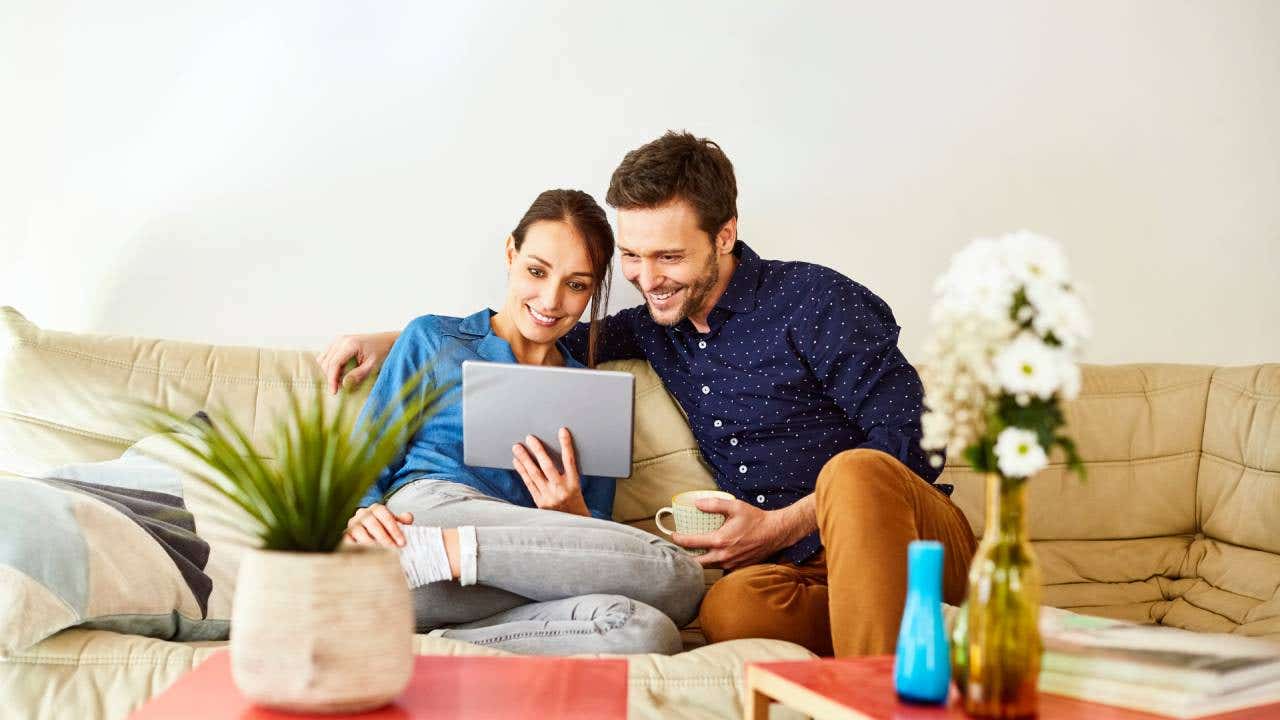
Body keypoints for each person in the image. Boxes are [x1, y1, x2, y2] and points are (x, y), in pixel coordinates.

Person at [319, 133, 977, 657]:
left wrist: (781, 524)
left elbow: (916, 438)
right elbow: (536, 325)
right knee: (721, 610)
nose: (647, 278)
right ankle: (902, 636)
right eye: (632, 257)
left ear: (723, 236)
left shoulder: (814, 301)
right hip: (798, 577)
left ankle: (883, 681)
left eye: (666, 256)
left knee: (850, 475)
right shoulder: (652, 323)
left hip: (906, 540)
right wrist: (399, 337)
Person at [329, 188, 704, 655]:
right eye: (536, 271)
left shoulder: (593, 396)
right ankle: (429, 552)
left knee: (648, 629)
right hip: (420, 526)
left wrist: (572, 514)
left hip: (510, 582)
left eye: (577, 284)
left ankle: (440, 643)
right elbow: (357, 466)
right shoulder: (433, 340)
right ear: (511, 253)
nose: (551, 300)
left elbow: (600, 546)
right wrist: (364, 512)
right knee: (680, 572)